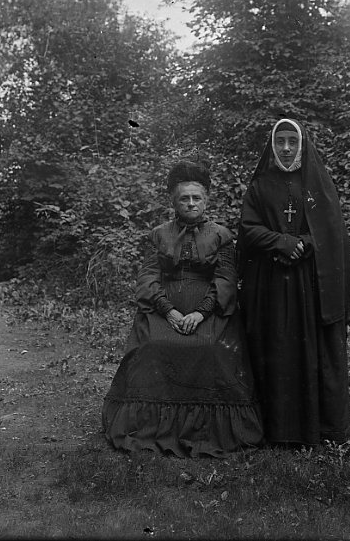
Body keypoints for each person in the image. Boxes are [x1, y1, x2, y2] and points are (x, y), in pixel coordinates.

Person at [102, 160, 264, 458]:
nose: (190, 203)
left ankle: (209, 430)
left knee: (212, 348)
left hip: (210, 310)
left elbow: (226, 279)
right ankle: (153, 428)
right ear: (173, 202)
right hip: (167, 308)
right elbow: (148, 277)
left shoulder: (221, 235)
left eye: (196, 198)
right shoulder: (159, 234)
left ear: (206, 200)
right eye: (184, 198)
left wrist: (201, 312)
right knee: (152, 345)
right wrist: (169, 311)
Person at [237, 118, 350, 447]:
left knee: (314, 349)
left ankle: (322, 427)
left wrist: (304, 243)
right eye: (280, 141)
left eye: (293, 141)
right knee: (276, 348)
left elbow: (331, 231)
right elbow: (248, 228)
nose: (287, 147)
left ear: (303, 144)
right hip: (272, 283)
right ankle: (279, 429)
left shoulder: (318, 184)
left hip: (312, 283)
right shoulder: (260, 186)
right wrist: (281, 242)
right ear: (272, 145)